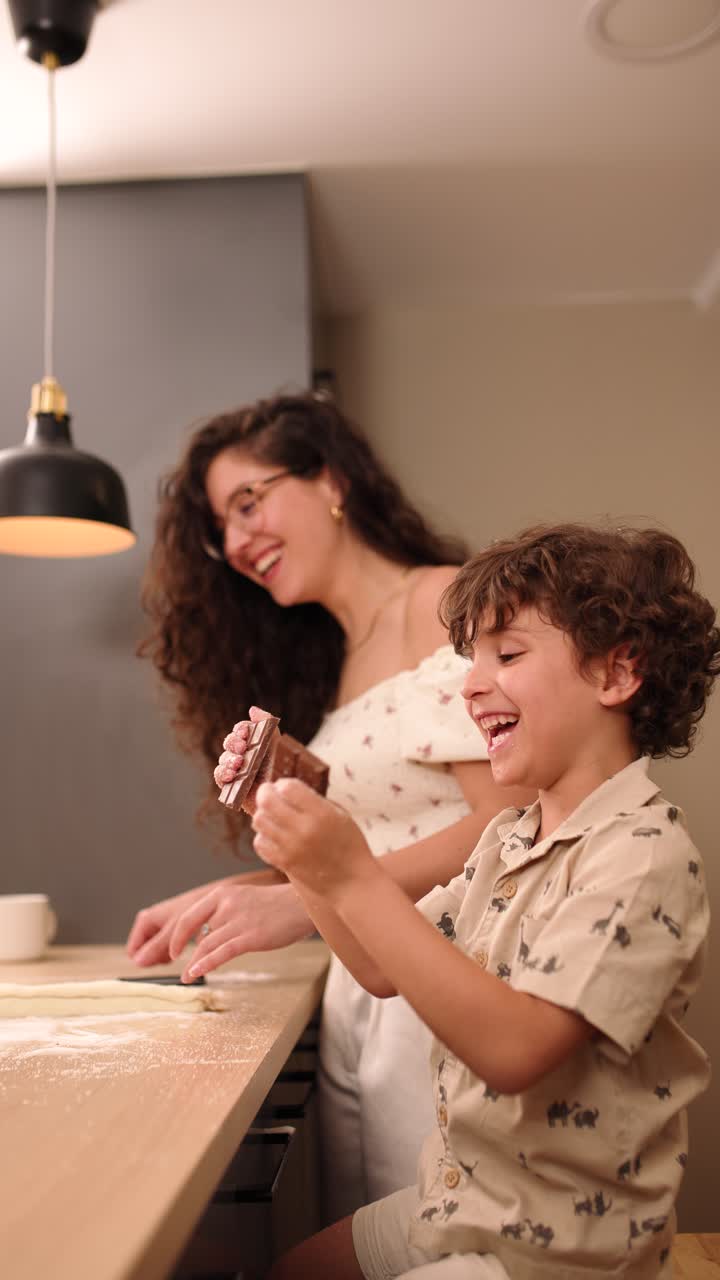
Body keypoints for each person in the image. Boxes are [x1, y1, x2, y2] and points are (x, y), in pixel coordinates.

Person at [244, 522, 718, 1280]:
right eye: (472, 659)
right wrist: (297, 847)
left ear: (616, 673)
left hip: (563, 1244)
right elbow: (377, 965)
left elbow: (515, 1050)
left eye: (508, 653)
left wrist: (354, 871)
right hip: (466, 1199)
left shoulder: (642, 853)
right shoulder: (509, 838)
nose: (469, 683)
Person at [126, 391, 531, 1219]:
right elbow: (381, 841)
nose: (236, 542)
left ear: (333, 482)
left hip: (453, 984)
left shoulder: (444, 604)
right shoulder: (337, 657)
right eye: (221, 528)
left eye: (249, 502)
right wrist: (248, 895)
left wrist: (309, 910)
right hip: (372, 997)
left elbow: (511, 821)